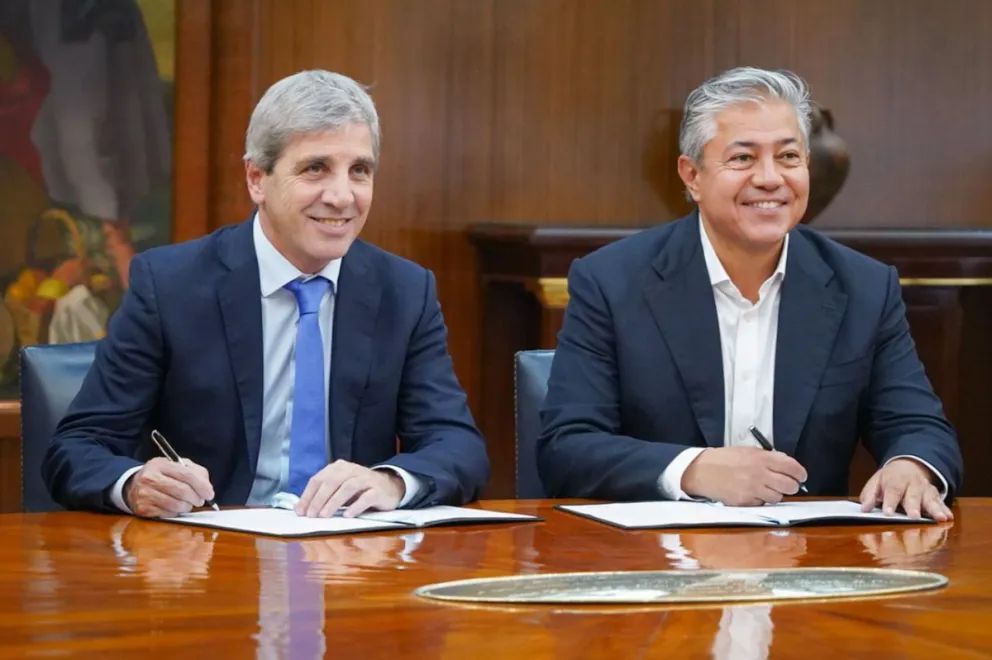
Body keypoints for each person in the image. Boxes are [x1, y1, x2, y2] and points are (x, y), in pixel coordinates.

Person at [43, 70, 489, 518]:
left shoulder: (404, 291)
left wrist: (390, 481)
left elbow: (457, 445)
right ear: (257, 179)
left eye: (359, 171)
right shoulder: (169, 285)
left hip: (351, 547)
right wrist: (136, 484)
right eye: (315, 168)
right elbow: (78, 447)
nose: (342, 196)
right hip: (209, 544)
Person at [537, 67, 962, 521]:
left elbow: (918, 425)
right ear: (692, 175)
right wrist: (693, 469)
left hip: (810, 553)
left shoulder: (863, 286)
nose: (770, 178)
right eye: (743, 158)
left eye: (788, 157)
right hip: (654, 551)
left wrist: (911, 466)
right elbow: (568, 447)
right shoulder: (612, 281)